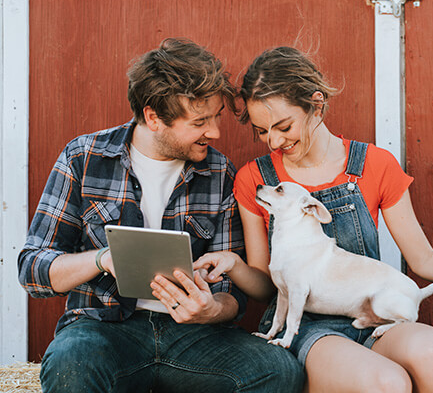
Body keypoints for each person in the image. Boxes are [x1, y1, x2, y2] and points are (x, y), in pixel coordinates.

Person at [17, 38, 304, 393]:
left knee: (279, 370)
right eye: (200, 122)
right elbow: (33, 270)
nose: (214, 132)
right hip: (103, 327)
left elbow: (234, 295)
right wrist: (104, 259)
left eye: (215, 117)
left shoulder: (219, 172)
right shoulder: (84, 157)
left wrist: (212, 309)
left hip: (195, 337)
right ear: (153, 117)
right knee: (69, 363)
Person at [195, 46, 433, 392]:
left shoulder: (375, 164)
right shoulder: (255, 179)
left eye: (283, 126)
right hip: (307, 325)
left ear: (317, 104)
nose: (274, 142)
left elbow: (423, 259)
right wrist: (234, 264)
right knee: (386, 382)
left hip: (373, 311)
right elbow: (266, 285)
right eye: (263, 132)